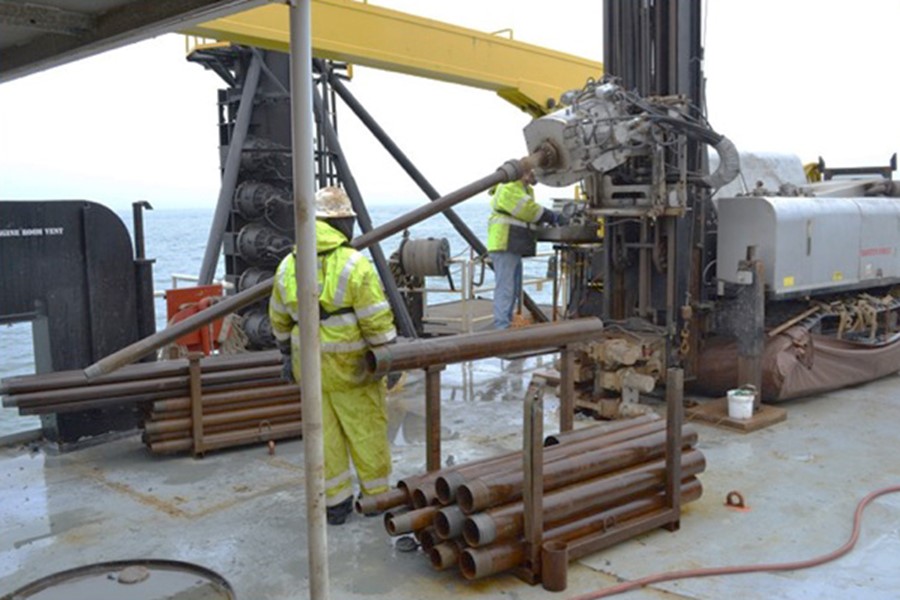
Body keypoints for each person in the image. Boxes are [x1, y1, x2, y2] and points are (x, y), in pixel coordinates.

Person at [269, 186, 397, 525]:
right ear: (341, 223)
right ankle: (376, 499)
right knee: (365, 430)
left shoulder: (287, 265)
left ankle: (335, 505)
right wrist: (387, 355)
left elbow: (279, 319)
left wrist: (286, 354)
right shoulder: (354, 263)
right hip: (352, 367)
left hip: (309, 365)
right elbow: (375, 317)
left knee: (322, 435)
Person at [487, 168, 559, 329]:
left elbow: (527, 213)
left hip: (511, 243)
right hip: (505, 242)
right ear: (524, 173)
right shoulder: (509, 186)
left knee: (512, 287)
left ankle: (505, 323)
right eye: (533, 173)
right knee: (506, 287)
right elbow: (528, 210)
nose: (536, 177)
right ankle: (501, 327)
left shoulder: (521, 189)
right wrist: (552, 216)